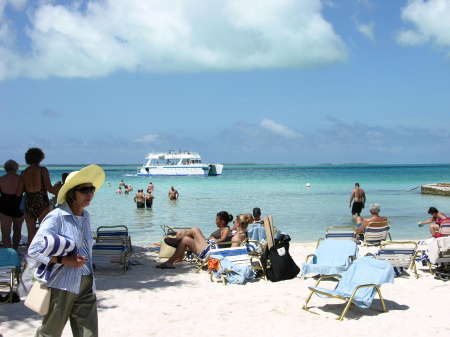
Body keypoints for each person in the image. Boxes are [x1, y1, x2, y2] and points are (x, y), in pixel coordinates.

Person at [28, 164, 105, 337]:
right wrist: (64, 260)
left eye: (92, 189)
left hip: (87, 282)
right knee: (50, 333)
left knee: (89, 334)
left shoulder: (86, 217)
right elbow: (34, 249)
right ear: (71, 193)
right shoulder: (56, 217)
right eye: (84, 190)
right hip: (62, 284)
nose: (90, 194)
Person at [157, 211, 234, 269]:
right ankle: (170, 262)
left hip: (211, 251)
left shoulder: (226, 229)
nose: (215, 221)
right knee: (185, 239)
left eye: (217, 219)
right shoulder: (223, 228)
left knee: (195, 229)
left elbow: (223, 240)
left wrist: (214, 240)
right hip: (207, 248)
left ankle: (177, 239)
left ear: (222, 221)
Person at [16, 148, 60, 244]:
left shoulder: (24, 173)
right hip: (42, 203)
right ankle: (43, 254)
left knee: (31, 232)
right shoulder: (42, 170)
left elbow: (19, 193)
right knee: (44, 231)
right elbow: (50, 189)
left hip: (29, 203)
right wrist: (60, 189)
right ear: (40, 157)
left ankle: (31, 256)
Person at [0, 160, 24, 249]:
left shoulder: (1, 179)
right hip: (18, 206)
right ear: (16, 168)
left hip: (4, 206)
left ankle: (8, 252)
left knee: (5, 232)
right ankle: (15, 250)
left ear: (5, 168)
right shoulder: (21, 179)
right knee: (17, 231)